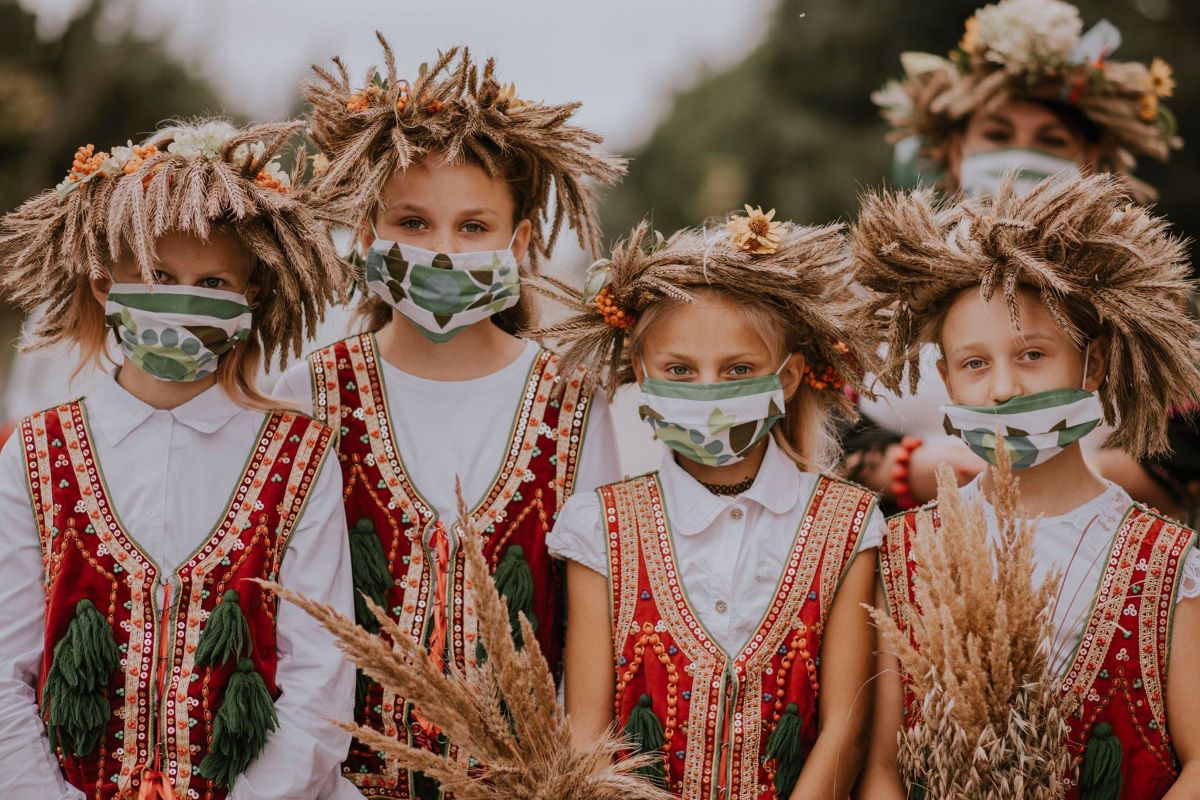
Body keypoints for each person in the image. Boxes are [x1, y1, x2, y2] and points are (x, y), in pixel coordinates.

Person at [271, 37, 625, 799]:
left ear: (518, 244)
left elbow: (595, 628)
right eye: (412, 223)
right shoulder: (312, 395)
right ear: (366, 234)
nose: (440, 251)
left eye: (472, 228)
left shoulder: (572, 404)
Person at [0, 119, 355, 799]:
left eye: (214, 283)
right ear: (105, 283)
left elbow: (322, 677)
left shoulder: (301, 457)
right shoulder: (35, 453)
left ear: (253, 296)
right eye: (159, 275)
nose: (184, 300)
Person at [852, 174, 1200, 798]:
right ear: (948, 382)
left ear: (1091, 364)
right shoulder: (906, 553)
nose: (1004, 389)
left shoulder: (1168, 564)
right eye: (975, 363)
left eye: (1033, 354)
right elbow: (880, 766)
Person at [542, 208, 883, 799]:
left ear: (787, 378)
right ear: (642, 377)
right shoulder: (599, 527)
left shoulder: (848, 526)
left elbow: (844, 735)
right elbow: (587, 740)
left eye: (737, 370)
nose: (708, 393)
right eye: (680, 370)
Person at [853, 0, 1187, 515]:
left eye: (1050, 140)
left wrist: (1071, 489)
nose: (1021, 156)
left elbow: (1188, 450)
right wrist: (906, 467)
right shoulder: (879, 281)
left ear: (1087, 161)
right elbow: (823, 430)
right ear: (959, 152)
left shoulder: (1142, 288)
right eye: (998, 135)